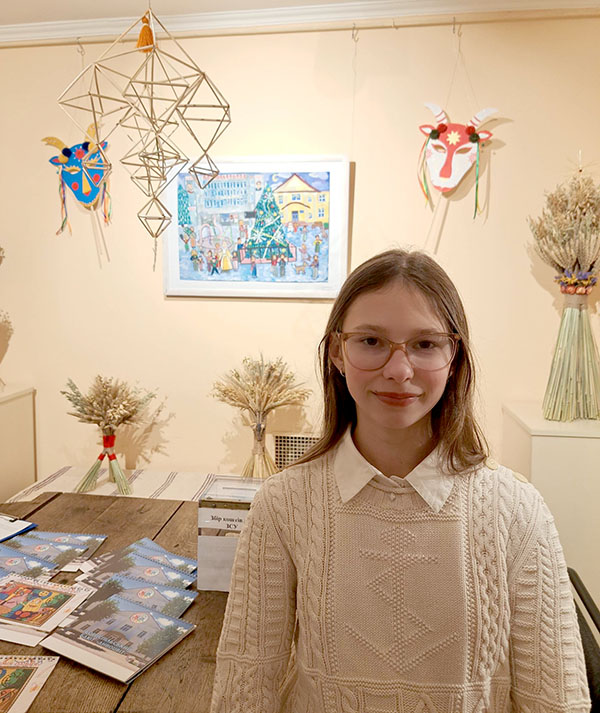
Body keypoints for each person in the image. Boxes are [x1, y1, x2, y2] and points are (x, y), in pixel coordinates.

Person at [210, 249, 591, 713]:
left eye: (425, 344)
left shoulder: (516, 510)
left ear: (455, 357)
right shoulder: (283, 504)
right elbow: (246, 688)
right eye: (371, 341)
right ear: (337, 351)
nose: (398, 370)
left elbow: (556, 699)